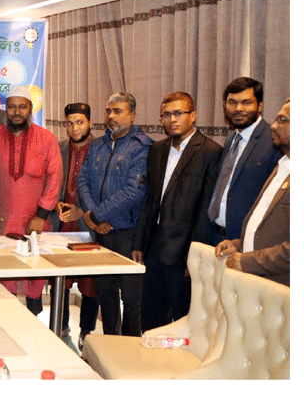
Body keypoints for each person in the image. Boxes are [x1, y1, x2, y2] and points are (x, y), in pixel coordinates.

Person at [132, 92, 222, 332]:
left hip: (184, 252)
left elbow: (206, 210)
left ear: (193, 115)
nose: (172, 119)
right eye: (166, 115)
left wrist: (195, 255)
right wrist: (140, 242)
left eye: (178, 113)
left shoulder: (210, 151)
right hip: (154, 247)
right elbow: (150, 199)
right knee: (151, 318)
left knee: (183, 321)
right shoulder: (157, 149)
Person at [77, 92, 153, 337]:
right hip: (102, 233)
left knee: (131, 298)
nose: (111, 116)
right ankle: (109, 343)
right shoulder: (98, 144)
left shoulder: (142, 146)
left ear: (132, 115)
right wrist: (93, 217)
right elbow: (83, 180)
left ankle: (130, 349)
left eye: (117, 111)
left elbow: (134, 191)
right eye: (108, 111)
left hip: (128, 233)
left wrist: (95, 216)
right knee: (106, 295)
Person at [0, 86, 62, 317]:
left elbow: (55, 179)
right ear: (5, 109)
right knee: (1, 283)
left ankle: (34, 326)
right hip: (0, 223)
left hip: (34, 223)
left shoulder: (47, 139)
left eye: (22, 107)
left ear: (30, 109)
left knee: (32, 282)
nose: (17, 112)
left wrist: (41, 216)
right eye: (12, 107)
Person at [215, 99, 290, 286]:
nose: (274, 126)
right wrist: (239, 245)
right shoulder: (283, 166)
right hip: (259, 284)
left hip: (281, 287)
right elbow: (271, 229)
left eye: (283, 120)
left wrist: (249, 261)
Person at [207, 77, 282, 245]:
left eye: (246, 102)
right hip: (216, 236)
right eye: (232, 102)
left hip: (247, 241)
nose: (238, 109)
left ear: (260, 106)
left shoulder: (274, 141)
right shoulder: (231, 140)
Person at [49, 102, 99, 347]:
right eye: (70, 123)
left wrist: (83, 211)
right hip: (62, 223)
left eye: (80, 122)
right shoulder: (58, 148)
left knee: (91, 283)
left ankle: (86, 332)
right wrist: (55, 203)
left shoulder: (101, 149)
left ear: (90, 123)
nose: (74, 128)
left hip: (88, 223)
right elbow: (51, 180)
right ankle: (61, 326)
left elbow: (105, 188)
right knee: (61, 279)